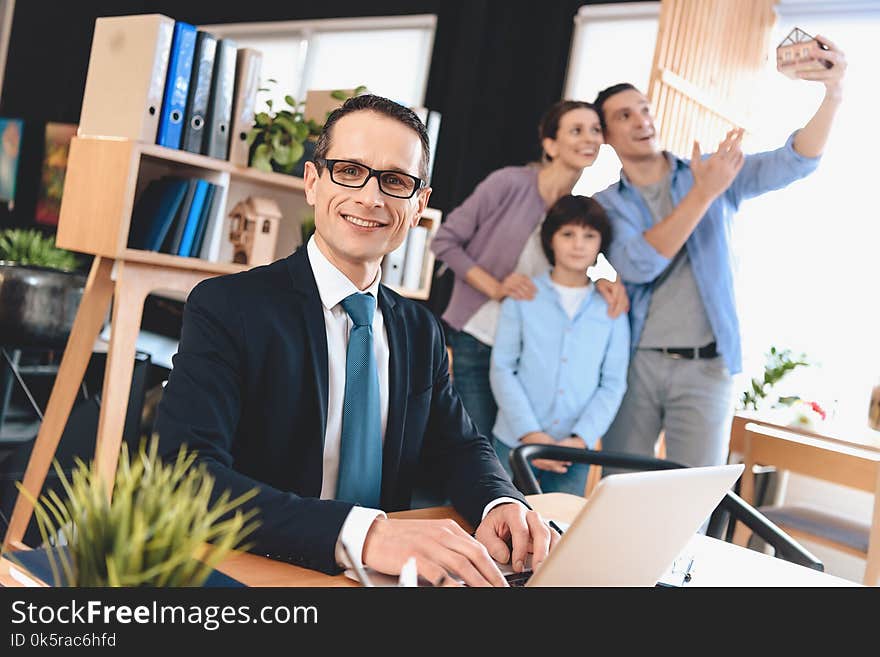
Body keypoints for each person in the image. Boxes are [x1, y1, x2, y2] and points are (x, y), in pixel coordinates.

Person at [154, 94, 558, 587]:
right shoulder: (229, 307)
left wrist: (501, 500)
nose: (371, 198)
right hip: (264, 571)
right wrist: (364, 535)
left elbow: (460, 445)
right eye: (349, 170)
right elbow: (188, 476)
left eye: (395, 181)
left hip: (380, 583)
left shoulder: (418, 328)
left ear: (418, 206)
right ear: (312, 181)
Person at [592, 36, 847, 468]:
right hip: (635, 365)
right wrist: (704, 193)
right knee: (622, 486)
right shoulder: (606, 203)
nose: (641, 120)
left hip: (707, 367)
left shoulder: (713, 171)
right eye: (624, 115)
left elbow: (795, 161)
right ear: (606, 135)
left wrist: (834, 91)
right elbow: (638, 264)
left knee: (695, 496)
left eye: (645, 109)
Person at [430, 100, 628, 446]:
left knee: (512, 448)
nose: (590, 138)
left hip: (530, 348)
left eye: (596, 130)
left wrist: (605, 280)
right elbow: (445, 241)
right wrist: (494, 287)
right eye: (576, 130)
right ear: (550, 144)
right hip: (479, 336)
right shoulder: (508, 182)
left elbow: (569, 265)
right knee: (475, 448)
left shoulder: (576, 208)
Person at [490, 195, 629, 494]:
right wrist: (531, 434)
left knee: (560, 534)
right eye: (568, 234)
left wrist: (580, 440)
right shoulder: (523, 295)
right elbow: (502, 368)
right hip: (514, 441)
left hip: (574, 453)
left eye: (589, 235)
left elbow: (613, 383)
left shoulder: (611, 308)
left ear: (600, 245)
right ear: (551, 239)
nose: (578, 244)